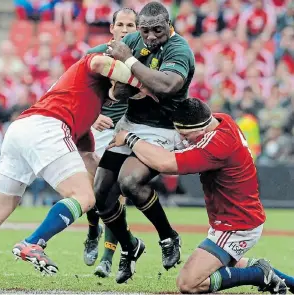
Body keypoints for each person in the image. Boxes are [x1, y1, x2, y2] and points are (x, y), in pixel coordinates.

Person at [0, 52, 151, 291]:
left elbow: (89, 161)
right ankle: (33, 242)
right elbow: (99, 62)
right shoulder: (93, 64)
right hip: (47, 128)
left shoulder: (87, 109)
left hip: (20, 131)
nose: (116, 99)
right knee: (82, 197)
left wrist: (112, 182)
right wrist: (143, 83)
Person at [109, 97, 292, 294]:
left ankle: (258, 275)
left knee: (189, 283)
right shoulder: (222, 120)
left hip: (236, 225)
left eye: (187, 135)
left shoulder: (216, 146)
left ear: (202, 129)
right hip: (237, 217)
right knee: (232, 263)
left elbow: (166, 164)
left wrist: (129, 138)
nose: (184, 140)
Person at [93, 1, 195, 283]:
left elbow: (166, 86)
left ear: (169, 25)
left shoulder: (179, 49)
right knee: (101, 191)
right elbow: (113, 79)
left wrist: (130, 63)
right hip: (130, 124)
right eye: (145, 31)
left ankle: (168, 237)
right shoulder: (132, 40)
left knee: (130, 182)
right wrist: (120, 87)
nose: (150, 37)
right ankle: (129, 246)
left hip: (163, 129)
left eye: (157, 31)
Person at [82, 7, 138, 278]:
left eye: (131, 25)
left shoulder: (145, 58)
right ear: (112, 28)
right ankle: (93, 230)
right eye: (121, 24)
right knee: (92, 193)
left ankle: (107, 258)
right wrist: (93, 118)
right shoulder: (95, 55)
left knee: (116, 194)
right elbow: (78, 95)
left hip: (128, 132)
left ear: (138, 30)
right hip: (98, 129)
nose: (125, 29)